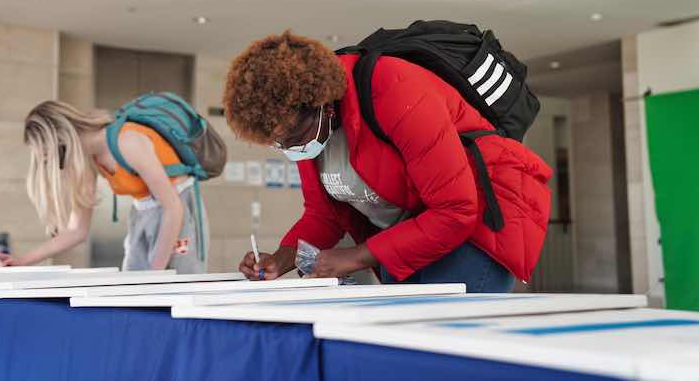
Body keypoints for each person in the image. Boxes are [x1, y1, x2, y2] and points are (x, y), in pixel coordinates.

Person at [224, 31, 551, 292]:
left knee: (441, 352)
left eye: (293, 138)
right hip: (410, 231)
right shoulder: (305, 128)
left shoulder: (396, 89)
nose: (291, 148)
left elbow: (456, 211)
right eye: (279, 143)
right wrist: (282, 258)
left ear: (322, 103)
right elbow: (322, 215)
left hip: (479, 223)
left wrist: (355, 257)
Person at [0, 98, 222, 273]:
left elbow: (173, 208)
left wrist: (154, 275)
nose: (55, 165)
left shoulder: (127, 141)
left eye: (49, 157)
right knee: (134, 294)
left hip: (179, 210)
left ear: (59, 141)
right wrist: (22, 261)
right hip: (143, 215)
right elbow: (76, 231)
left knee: (172, 292)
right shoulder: (88, 159)